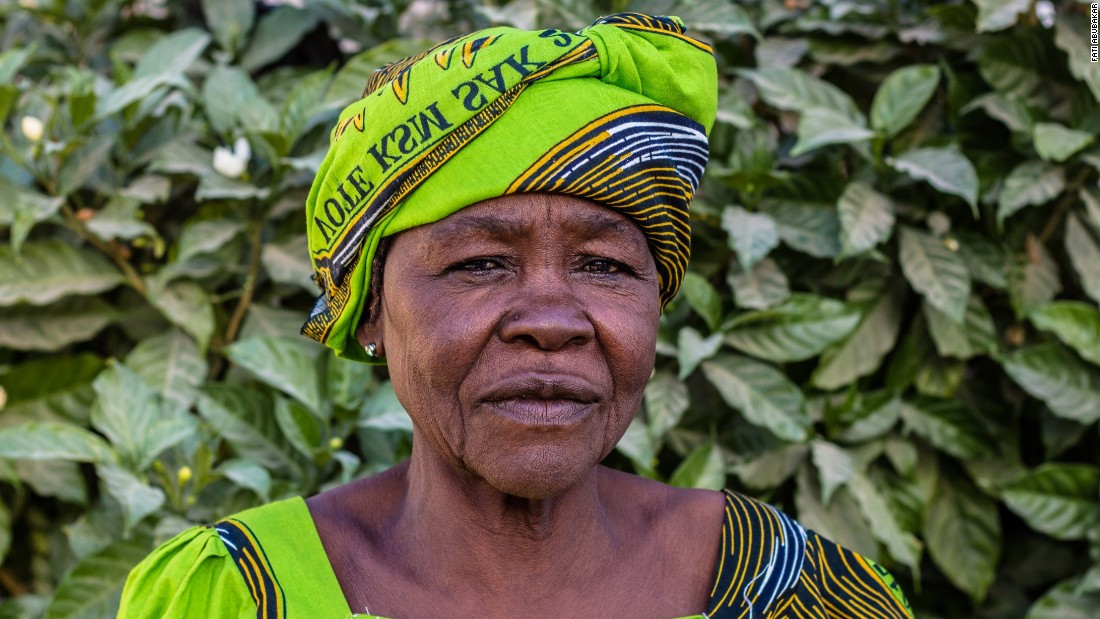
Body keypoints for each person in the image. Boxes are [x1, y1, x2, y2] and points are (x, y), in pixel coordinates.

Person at [119, 13, 913, 619]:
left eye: (604, 265)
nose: (551, 320)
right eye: (478, 263)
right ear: (369, 312)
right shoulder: (237, 592)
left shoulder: (791, 591)